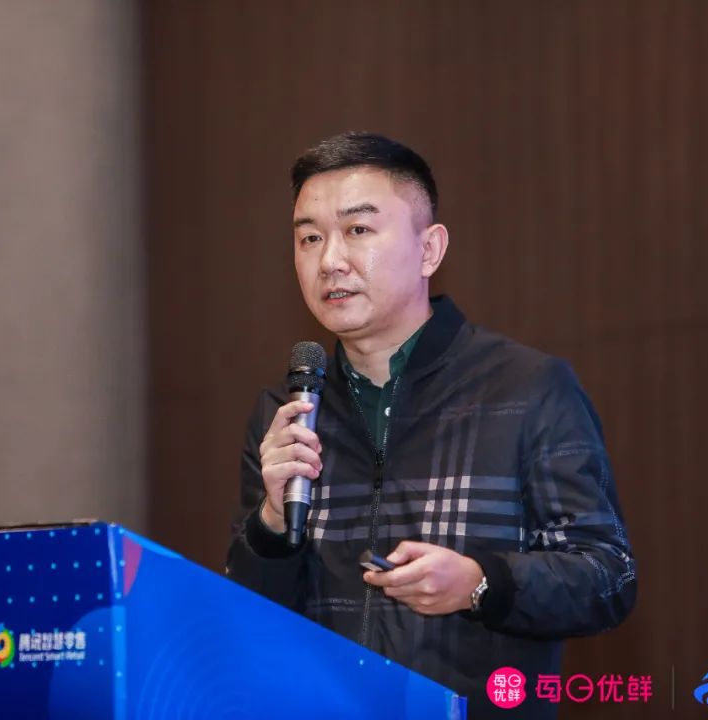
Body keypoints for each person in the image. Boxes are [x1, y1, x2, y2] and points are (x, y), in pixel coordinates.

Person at [226, 132, 636, 718]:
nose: (330, 259)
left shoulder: (525, 387)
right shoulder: (287, 411)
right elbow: (248, 621)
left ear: (429, 250)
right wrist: (270, 521)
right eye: (310, 238)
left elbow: (607, 577)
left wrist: (480, 583)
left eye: (358, 229)